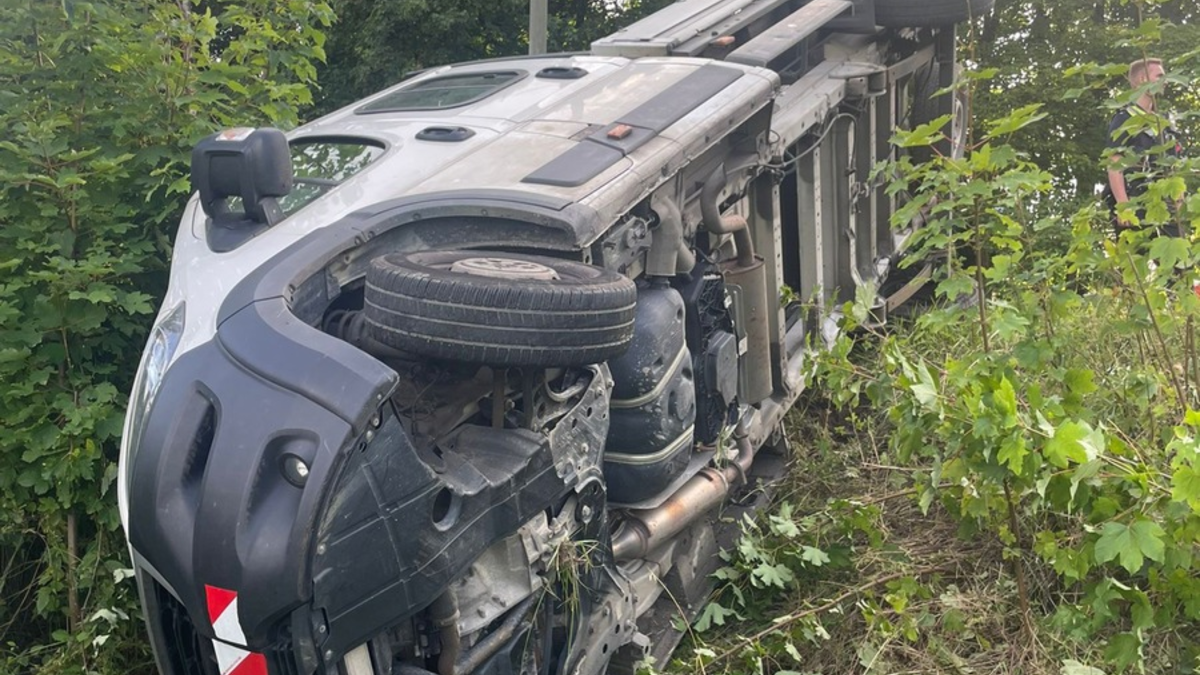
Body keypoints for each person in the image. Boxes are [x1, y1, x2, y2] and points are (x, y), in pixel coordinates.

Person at [1105, 58, 1184, 235]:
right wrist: (1123, 205)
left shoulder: (1165, 122)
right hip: (1135, 201)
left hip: (1165, 204)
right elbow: (1114, 163)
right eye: (1159, 76)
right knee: (1137, 256)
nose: (1165, 81)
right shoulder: (1124, 118)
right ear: (1142, 80)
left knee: (1179, 260)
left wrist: (1179, 201)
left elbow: (1173, 168)